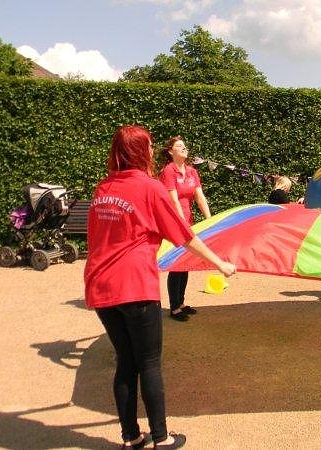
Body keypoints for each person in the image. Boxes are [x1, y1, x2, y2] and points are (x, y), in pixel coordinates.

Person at [84, 125, 236, 449]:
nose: (153, 151)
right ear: (140, 151)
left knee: (126, 361)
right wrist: (220, 264)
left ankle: (131, 437)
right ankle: (162, 439)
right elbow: (184, 235)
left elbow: (95, 238)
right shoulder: (150, 188)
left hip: (101, 286)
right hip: (135, 286)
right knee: (149, 363)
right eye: (149, 146)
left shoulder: (102, 189)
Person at [158, 136, 212, 322]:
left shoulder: (191, 171)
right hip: (174, 222)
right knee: (176, 264)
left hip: (189, 222)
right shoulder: (168, 171)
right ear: (170, 151)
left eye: (184, 146)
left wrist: (210, 221)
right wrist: (181, 225)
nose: (184, 148)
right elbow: (173, 201)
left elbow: (200, 198)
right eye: (179, 146)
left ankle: (180, 303)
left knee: (185, 263)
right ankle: (174, 307)